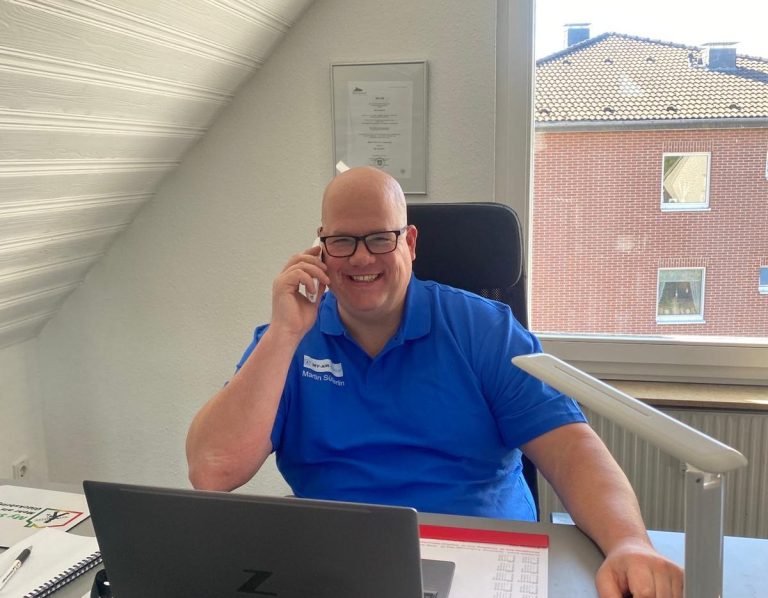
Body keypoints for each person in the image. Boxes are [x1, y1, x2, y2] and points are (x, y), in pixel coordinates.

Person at [187, 166, 684, 597]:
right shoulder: (289, 340)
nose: (360, 258)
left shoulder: (485, 330)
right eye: (342, 241)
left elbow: (573, 450)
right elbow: (212, 470)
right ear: (320, 249)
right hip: (335, 561)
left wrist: (628, 542)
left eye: (379, 238)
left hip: (480, 554)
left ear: (409, 242)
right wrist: (284, 334)